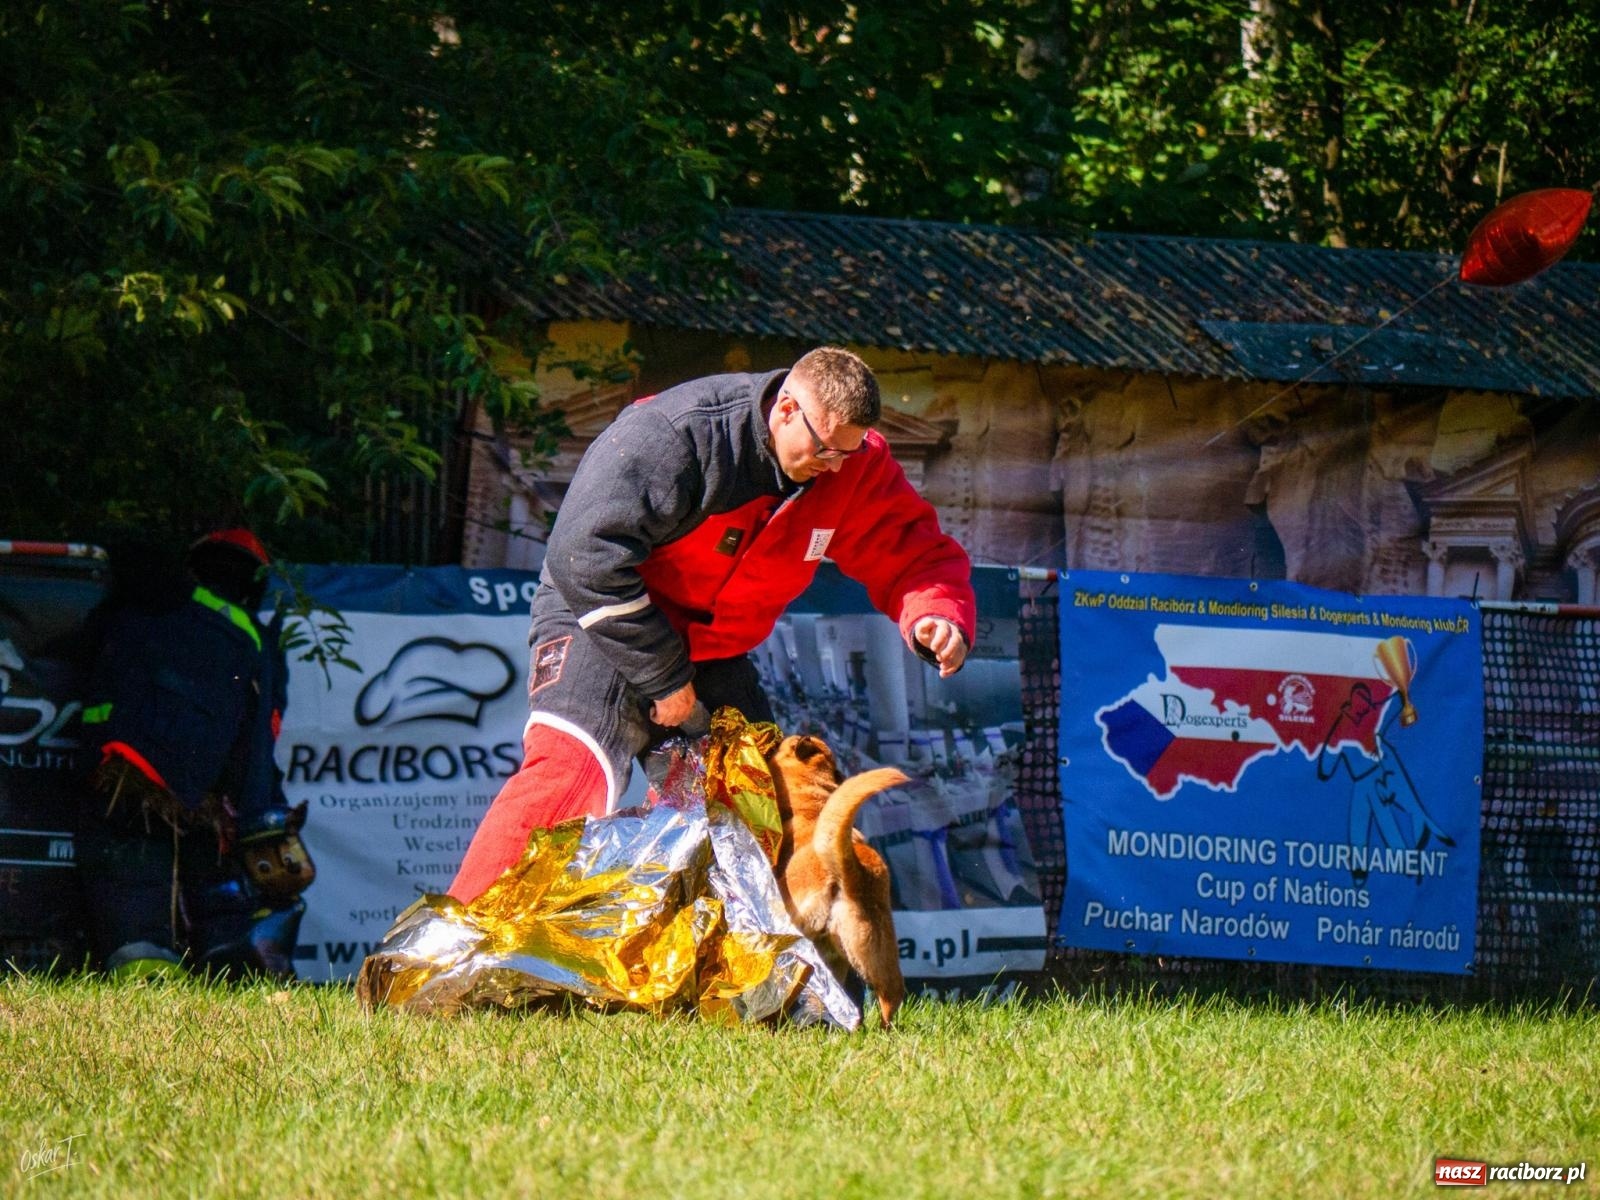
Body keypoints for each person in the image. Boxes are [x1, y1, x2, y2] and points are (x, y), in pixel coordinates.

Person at [450, 346, 976, 902]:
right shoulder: (675, 433)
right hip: (602, 619)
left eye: (849, 452)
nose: (836, 467)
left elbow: (914, 551)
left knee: (763, 804)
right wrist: (665, 678)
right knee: (572, 775)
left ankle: (726, 955)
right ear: (787, 409)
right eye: (825, 449)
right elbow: (585, 558)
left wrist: (937, 613)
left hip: (714, 648)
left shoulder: (853, 462)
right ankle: (454, 941)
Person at [76, 528, 314, 978]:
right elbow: (259, 740)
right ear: (255, 581)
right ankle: (211, 967)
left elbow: (85, 661)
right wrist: (260, 815)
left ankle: (144, 966)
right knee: (207, 876)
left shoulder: (138, 599)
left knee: (131, 874)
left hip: (118, 766)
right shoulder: (250, 633)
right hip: (194, 785)